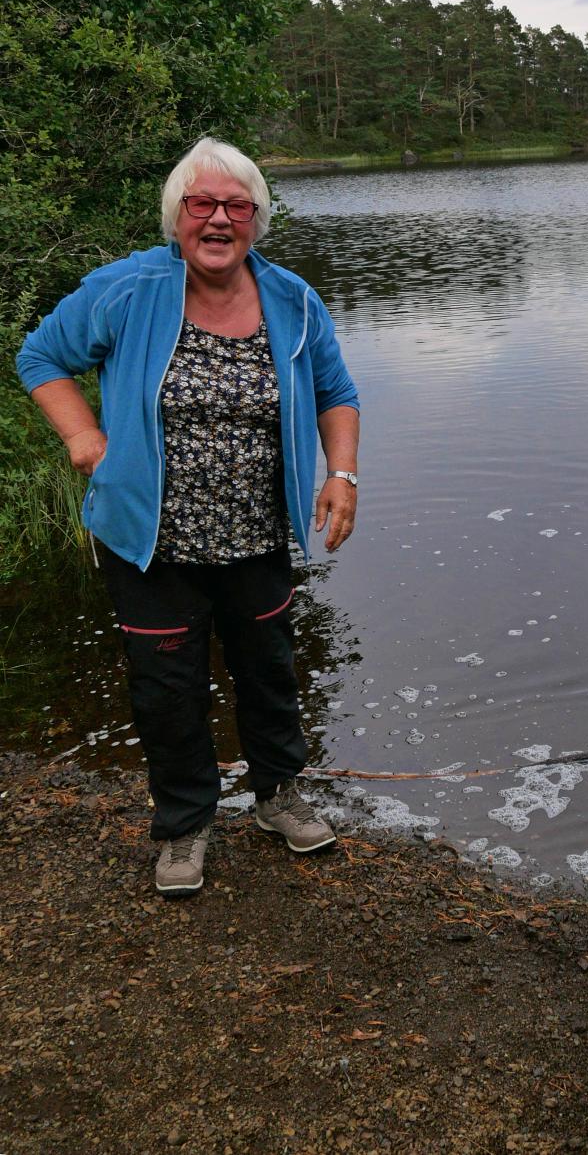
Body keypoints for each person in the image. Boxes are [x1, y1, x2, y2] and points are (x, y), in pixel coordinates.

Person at [18, 137, 361, 898]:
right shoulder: (129, 289)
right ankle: (182, 825)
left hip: (257, 535)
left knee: (269, 671)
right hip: (149, 540)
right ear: (177, 216)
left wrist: (341, 474)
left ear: (256, 221)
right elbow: (39, 356)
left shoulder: (294, 299)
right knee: (166, 687)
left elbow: (338, 393)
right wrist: (82, 436)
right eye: (201, 204)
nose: (217, 219)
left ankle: (277, 795)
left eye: (236, 206)